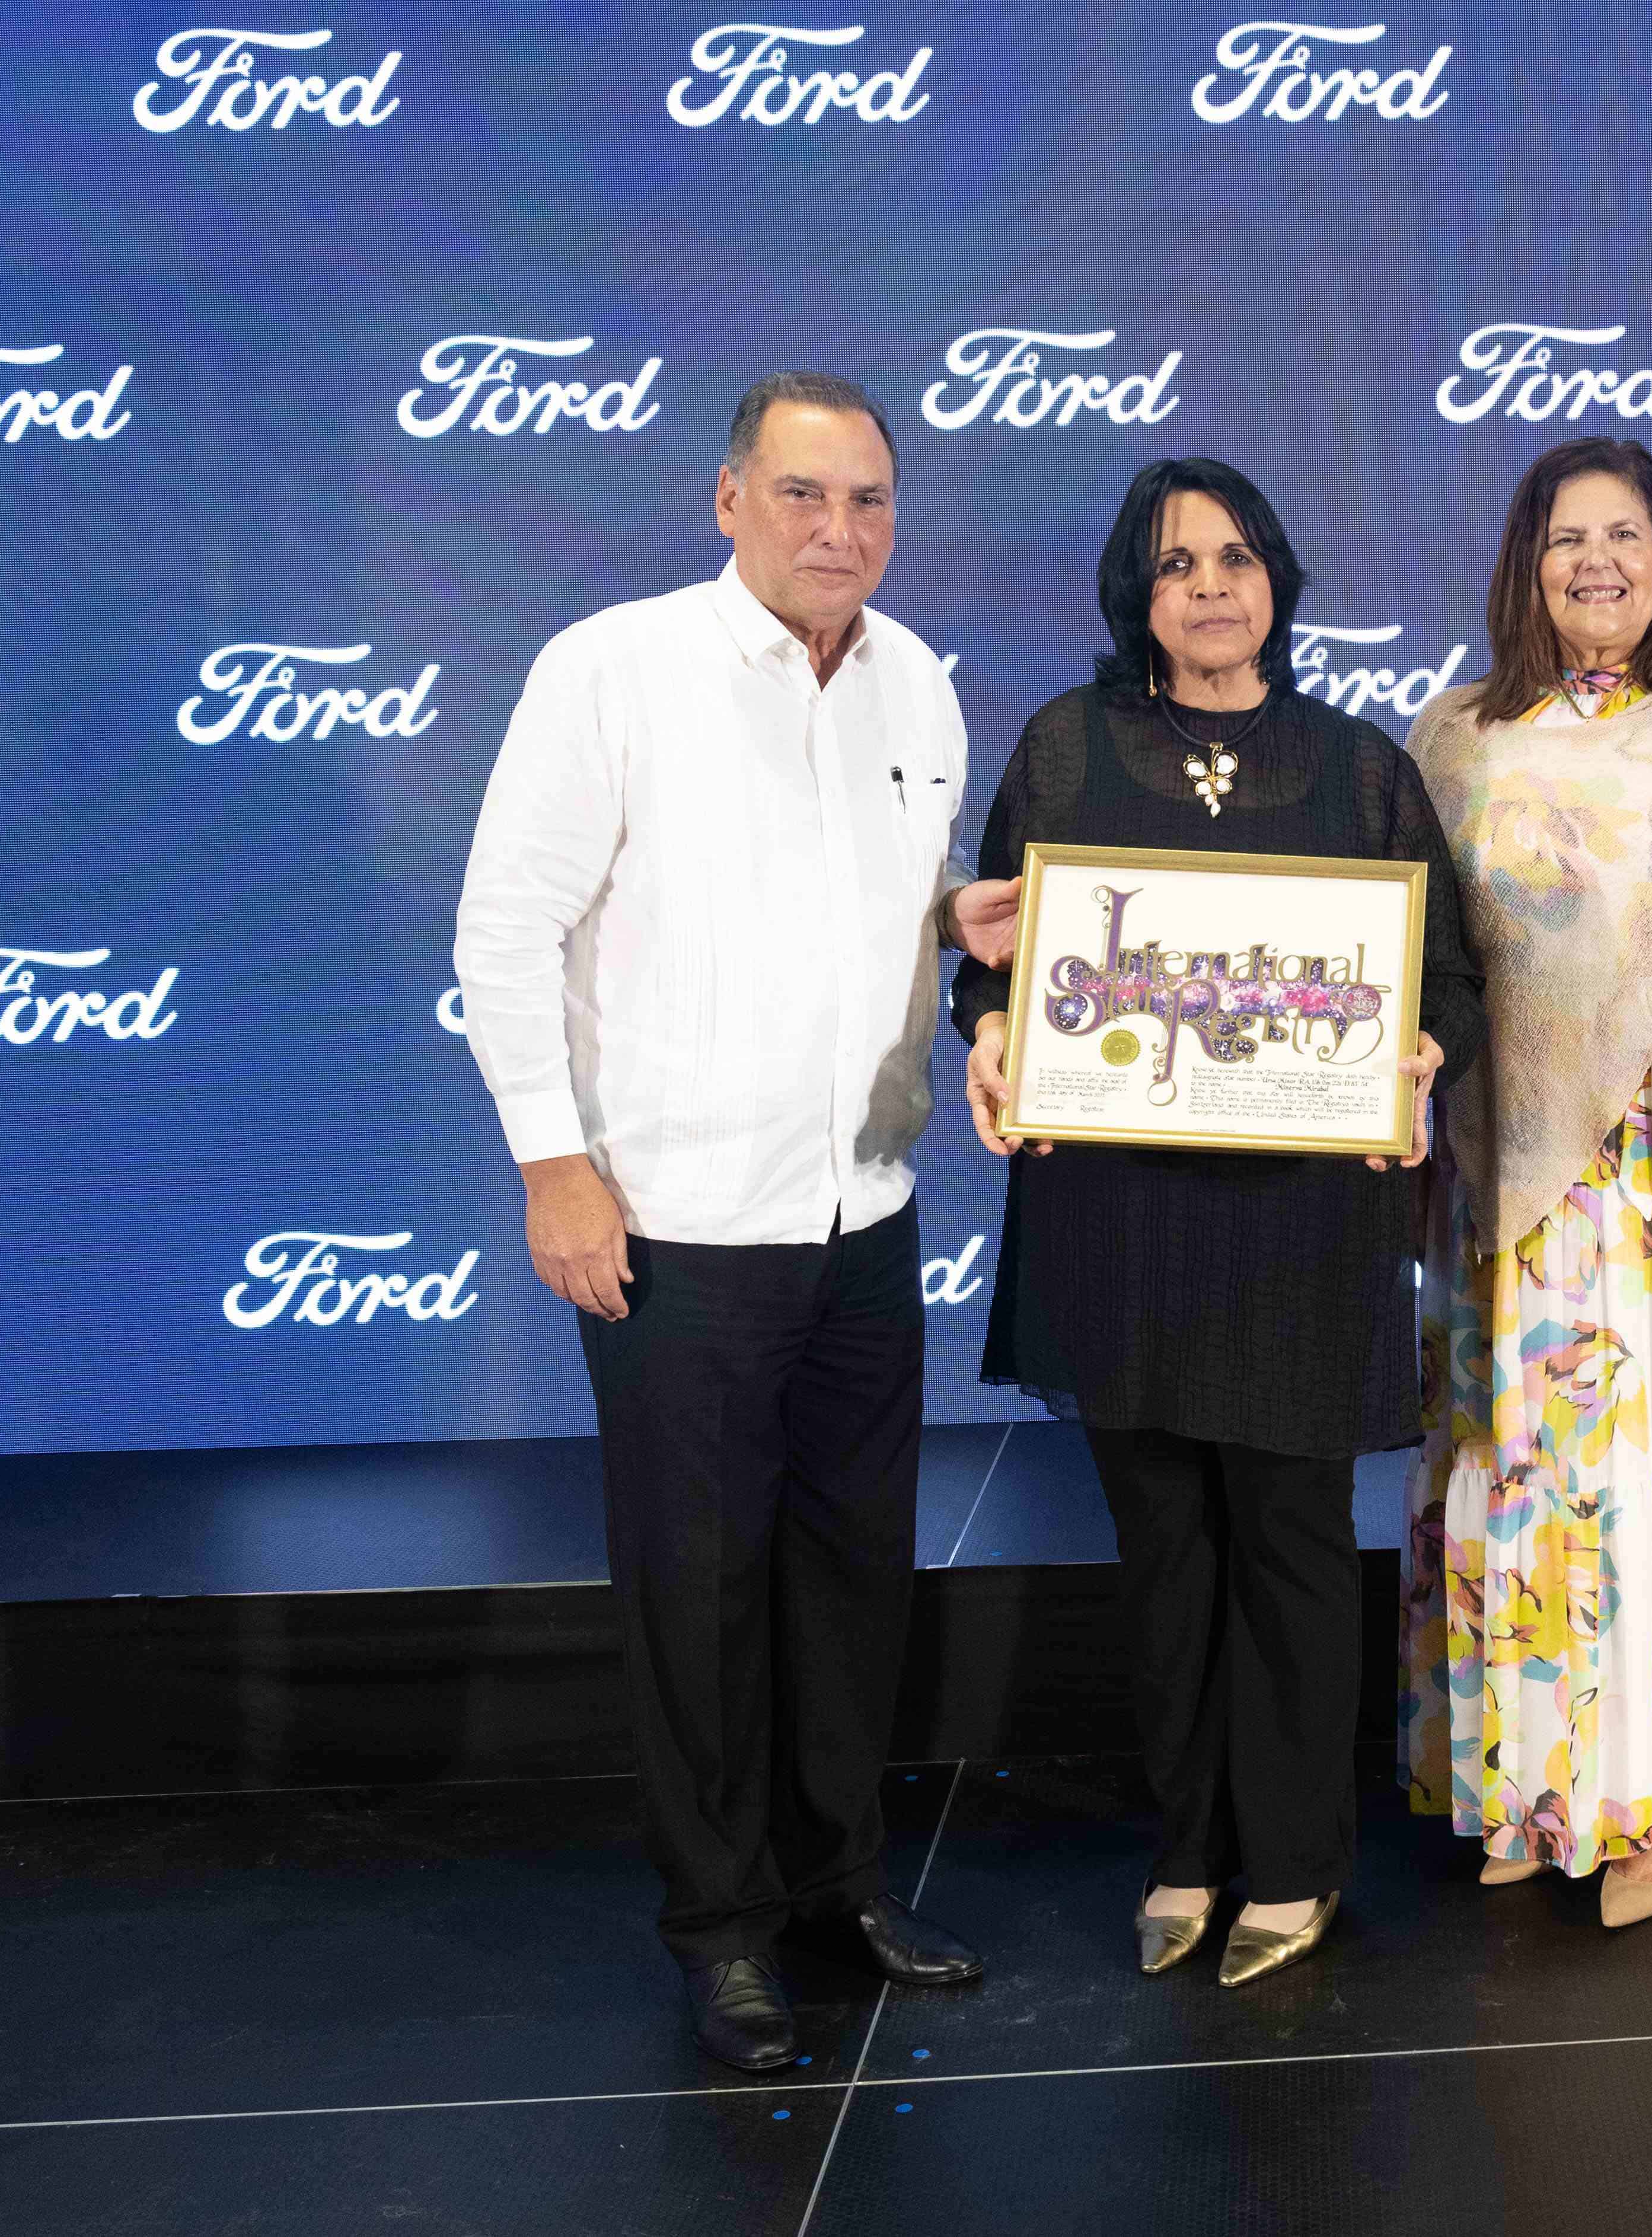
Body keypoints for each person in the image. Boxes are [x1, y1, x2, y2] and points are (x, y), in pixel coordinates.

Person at [455, 372, 1016, 2071]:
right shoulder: (610, 667)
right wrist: (555, 1160)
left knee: (850, 1575)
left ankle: (836, 1883)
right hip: (674, 1216)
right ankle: (718, 1927)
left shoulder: (918, 681)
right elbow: (504, 928)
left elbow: (870, 916)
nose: (836, 529)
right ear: (725, 500)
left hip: (865, 1204)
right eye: (799, 494)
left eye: (865, 500)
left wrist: (961, 919)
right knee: (697, 1591)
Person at [952, 458, 1483, 1990]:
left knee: (1297, 1555)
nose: (1209, 583)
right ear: (1139, 589)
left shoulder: (1361, 765)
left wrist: (1422, 1050)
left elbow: (1441, 977)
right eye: (1176, 560)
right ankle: (1187, 1847)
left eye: (1236, 554)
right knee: (1166, 1555)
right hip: (1119, 1222)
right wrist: (991, 1024)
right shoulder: (1064, 746)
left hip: (1300, 1233)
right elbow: (998, 949)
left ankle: (1300, 1862)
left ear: (1278, 579)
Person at [1399, 437, 1652, 1931]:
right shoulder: (1451, 738)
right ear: (1526, 561)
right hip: (1506, 1157)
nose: (1598, 564)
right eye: (1568, 538)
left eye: (1626, 535)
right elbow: (1416, 963)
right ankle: (1526, 1784)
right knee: (1516, 1460)